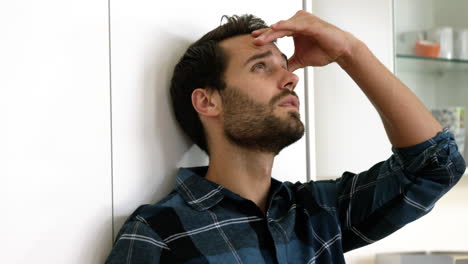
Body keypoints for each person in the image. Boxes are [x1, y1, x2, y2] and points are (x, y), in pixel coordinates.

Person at [105, 10, 466, 263]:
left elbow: (436, 167)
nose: (290, 77)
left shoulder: (316, 212)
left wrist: (349, 51)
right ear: (208, 101)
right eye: (261, 66)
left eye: (285, 64)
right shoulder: (159, 234)